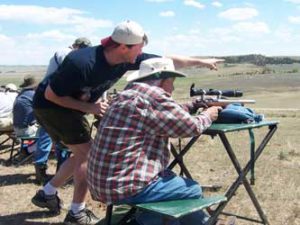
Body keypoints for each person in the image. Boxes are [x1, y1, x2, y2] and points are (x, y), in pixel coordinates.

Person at [31, 20, 223, 225]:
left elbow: (166, 60)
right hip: (51, 106)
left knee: (86, 155)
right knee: (88, 155)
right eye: (140, 48)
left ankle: (49, 192)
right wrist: (91, 108)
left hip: (75, 108)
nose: (141, 54)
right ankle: (76, 211)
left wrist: (201, 62)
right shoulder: (82, 62)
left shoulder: (129, 63)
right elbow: (51, 95)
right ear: (124, 47)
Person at [87, 58, 222, 225]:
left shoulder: (129, 93)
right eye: (171, 82)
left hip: (101, 183)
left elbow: (164, 112)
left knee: (171, 184)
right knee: (191, 189)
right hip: (126, 186)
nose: (172, 88)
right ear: (163, 80)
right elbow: (191, 127)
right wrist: (209, 115)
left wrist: (192, 105)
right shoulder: (153, 96)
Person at [33, 37, 92, 185]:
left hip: (52, 101)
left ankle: (52, 173)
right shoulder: (65, 52)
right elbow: (70, 66)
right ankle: (46, 171)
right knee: (59, 139)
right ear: (77, 46)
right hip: (54, 102)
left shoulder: (68, 54)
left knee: (55, 139)